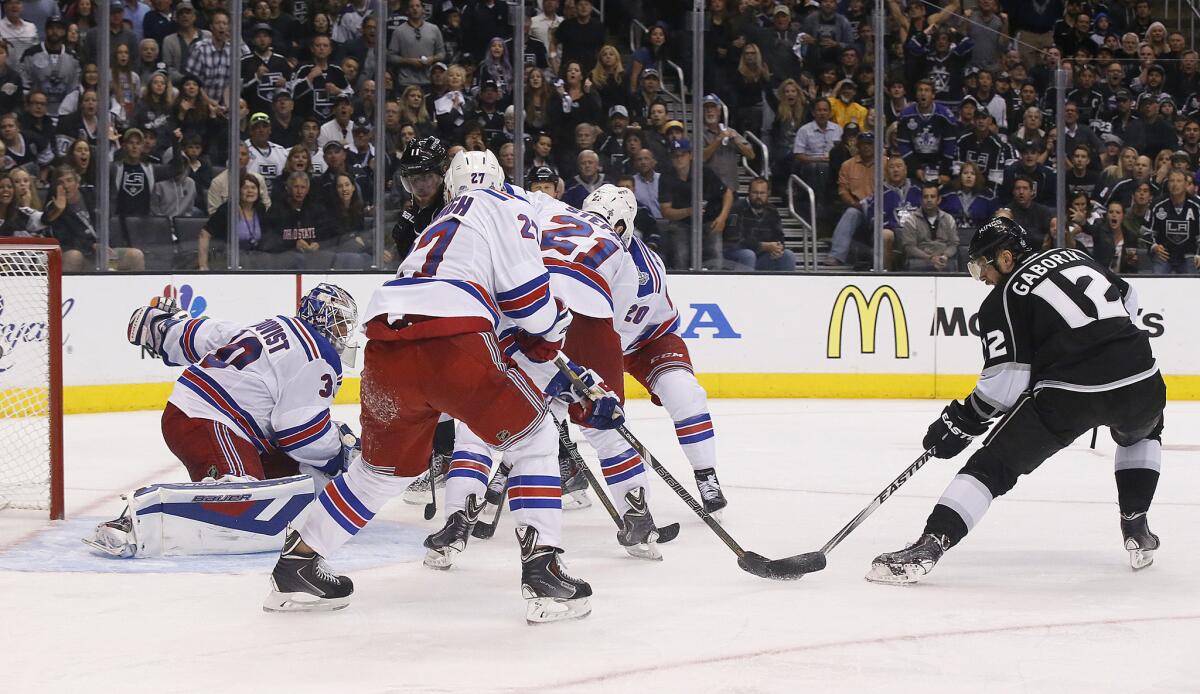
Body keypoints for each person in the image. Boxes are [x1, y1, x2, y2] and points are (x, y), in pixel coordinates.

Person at [265, 150, 619, 623]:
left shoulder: (444, 222)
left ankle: (298, 563)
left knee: (378, 471)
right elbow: (530, 303)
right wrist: (553, 339)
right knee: (534, 441)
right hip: (451, 342)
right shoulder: (504, 205)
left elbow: (487, 306)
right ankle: (545, 573)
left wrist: (542, 351)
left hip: (386, 344)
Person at [867, 214, 1166, 584]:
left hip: (1070, 395)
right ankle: (1137, 526)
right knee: (1143, 432)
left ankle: (930, 544)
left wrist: (960, 421)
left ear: (1006, 258)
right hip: (1142, 379)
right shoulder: (1075, 256)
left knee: (993, 467)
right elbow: (1130, 299)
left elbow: (1004, 386)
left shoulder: (1003, 298)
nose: (985, 278)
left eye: (984, 268)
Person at [43, 166, 145, 271]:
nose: (66, 186)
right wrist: (91, 246)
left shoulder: (91, 194)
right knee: (74, 256)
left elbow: (107, 216)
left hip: (105, 257)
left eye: (69, 180)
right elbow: (64, 241)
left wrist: (104, 245)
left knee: (135, 256)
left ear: (77, 182)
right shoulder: (53, 208)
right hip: (82, 258)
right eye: (60, 182)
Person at [659, 138, 732, 270]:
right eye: (675, 156)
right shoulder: (666, 177)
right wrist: (689, 211)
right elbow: (665, 211)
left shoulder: (704, 172)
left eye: (682, 155)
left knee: (714, 251)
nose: (679, 159)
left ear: (690, 155)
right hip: (681, 223)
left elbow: (727, 194)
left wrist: (722, 218)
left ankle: (717, 280)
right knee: (681, 253)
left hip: (709, 220)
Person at [389, 135, 447, 262]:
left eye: (427, 177)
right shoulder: (408, 220)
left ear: (443, 172)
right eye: (414, 179)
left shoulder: (453, 213)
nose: (420, 186)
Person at [728, 176, 795, 271]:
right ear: (749, 193)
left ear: (768, 193)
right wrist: (761, 246)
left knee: (788, 255)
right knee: (748, 255)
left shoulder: (772, 210)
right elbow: (732, 238)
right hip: (738, 255)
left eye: (762, 193)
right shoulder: (736, 208)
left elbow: (779, 236)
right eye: (755, 193)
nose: (758, 196)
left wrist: (778, 248)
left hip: (762, 257)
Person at [1145, 169, 1200, 274]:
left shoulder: (1197, 206)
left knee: (1192, 284)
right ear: (1167, 184)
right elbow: (1145, 231)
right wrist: (1154, 246)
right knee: (1156, 281)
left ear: (1185, 184)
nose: (1175, 184)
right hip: (1164, 255)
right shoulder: (1157, 204)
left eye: (1179, 181)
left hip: (1189, 255)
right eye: (1172, 181)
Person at [898, 182, 959, 271]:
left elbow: (954, 244)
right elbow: (909, 247)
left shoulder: (948, 219)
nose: (929, 200)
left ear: (939, 199)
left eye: (932, 196)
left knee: (951, 263)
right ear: (921, 200)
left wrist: (945, 256)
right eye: (925, 197)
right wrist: (930, 258)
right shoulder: (911, 220)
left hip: (944, 259)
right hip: (920, 260)